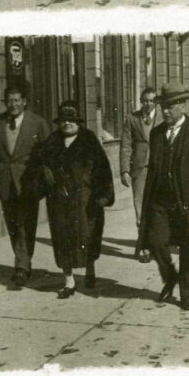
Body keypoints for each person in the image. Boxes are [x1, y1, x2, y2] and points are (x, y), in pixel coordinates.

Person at [137, 81, 189, 311]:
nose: (166, 110)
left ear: (183, 106)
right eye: (163, 105)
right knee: (155, 240)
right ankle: (170, 277)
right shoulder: (156, 134)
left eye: (171, 105)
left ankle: (185, 293)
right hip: (161, 199)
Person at [31, 101, 115, 298]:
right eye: (63, 120)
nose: (67, 124)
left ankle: (90, 269)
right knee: (62, 239)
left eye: (71, 120)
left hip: (85, 200)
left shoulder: (89, 141)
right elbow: (38, 167)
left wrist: (104, 195)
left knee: (88, 236)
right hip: (59, 200)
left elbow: (103, 170)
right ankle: (69, 281)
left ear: (78, 122)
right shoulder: (51, 143)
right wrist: (44, 176)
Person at [0, 83, 50, 287]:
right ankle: (22, 261)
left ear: (25, 102)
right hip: (5, 181)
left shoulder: (37, 123)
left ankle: (22, 266)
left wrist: (46, 178)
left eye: (17, 100)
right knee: (12, 224)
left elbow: (49, 152)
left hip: (29, 180)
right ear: (5, 102)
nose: (13, 104)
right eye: (10, 101)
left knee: (26, 224)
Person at [119, 87, 161, 263]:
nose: (148, 104)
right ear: (140, 101)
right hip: (139, 168)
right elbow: (126, 145)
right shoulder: (132, 118)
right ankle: (143, 246)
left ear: (156, 102)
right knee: (140, 206)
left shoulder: (163, 117)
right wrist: (124, 170)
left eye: (151, 100)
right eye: (145, 100)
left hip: (159, 167)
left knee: (159, 206)